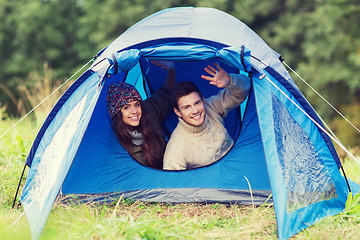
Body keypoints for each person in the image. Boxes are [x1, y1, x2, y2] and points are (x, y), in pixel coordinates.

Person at [163, 62, 250, 170]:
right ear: (178, 112)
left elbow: (245, 89)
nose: (195, 110)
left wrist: (230, 81)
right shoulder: (176, 148)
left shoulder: (211, 107)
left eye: (197, 103)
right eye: (187, 107)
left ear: (203, 100)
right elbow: (173, 184)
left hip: (240, 168)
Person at [106, 60, 176, 169]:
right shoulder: (114, 140)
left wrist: (171, 70)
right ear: (117, 112)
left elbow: (165, 93)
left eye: (137, 105)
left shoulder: (147, 113)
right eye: (126, 107)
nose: (134, 111)